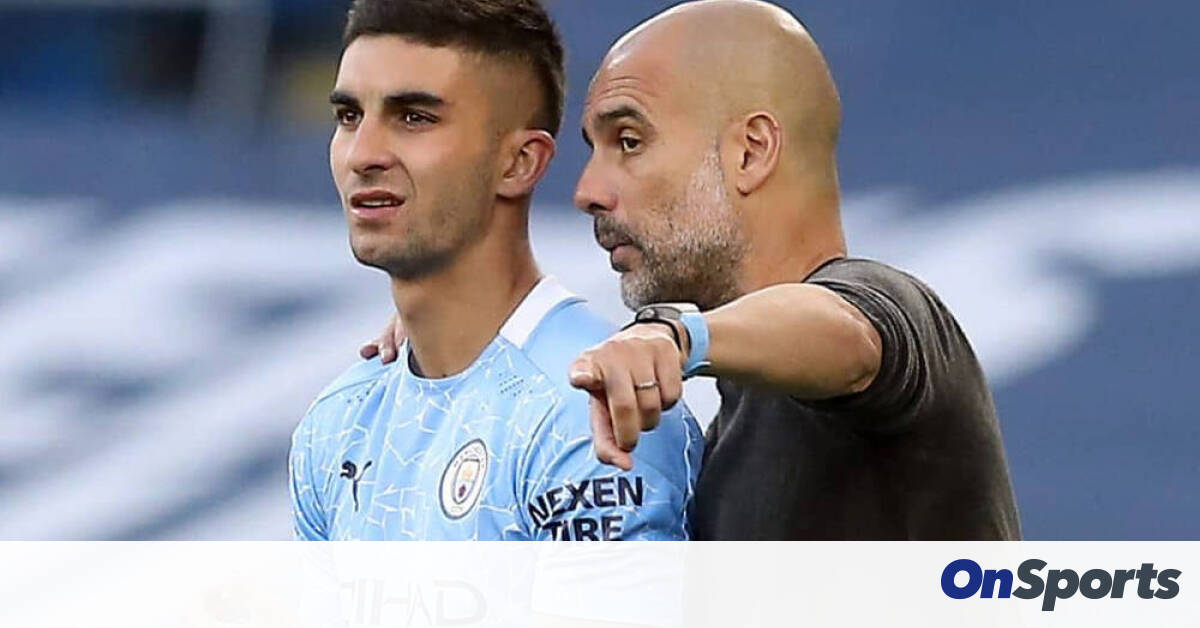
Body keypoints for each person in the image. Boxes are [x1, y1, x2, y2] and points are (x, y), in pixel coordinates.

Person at [565, 0, 1020, 540]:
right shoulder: (716, 455)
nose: (587, 191)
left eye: (629, 141)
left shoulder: (891, 310)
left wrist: (677, 335)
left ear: (751, 153)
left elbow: (846, 335)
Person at [289, 0, 702, 541]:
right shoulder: (337, 422)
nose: (362, 154)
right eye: (349, 117)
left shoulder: (594, 410)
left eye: (414, 118)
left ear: (519, 162)